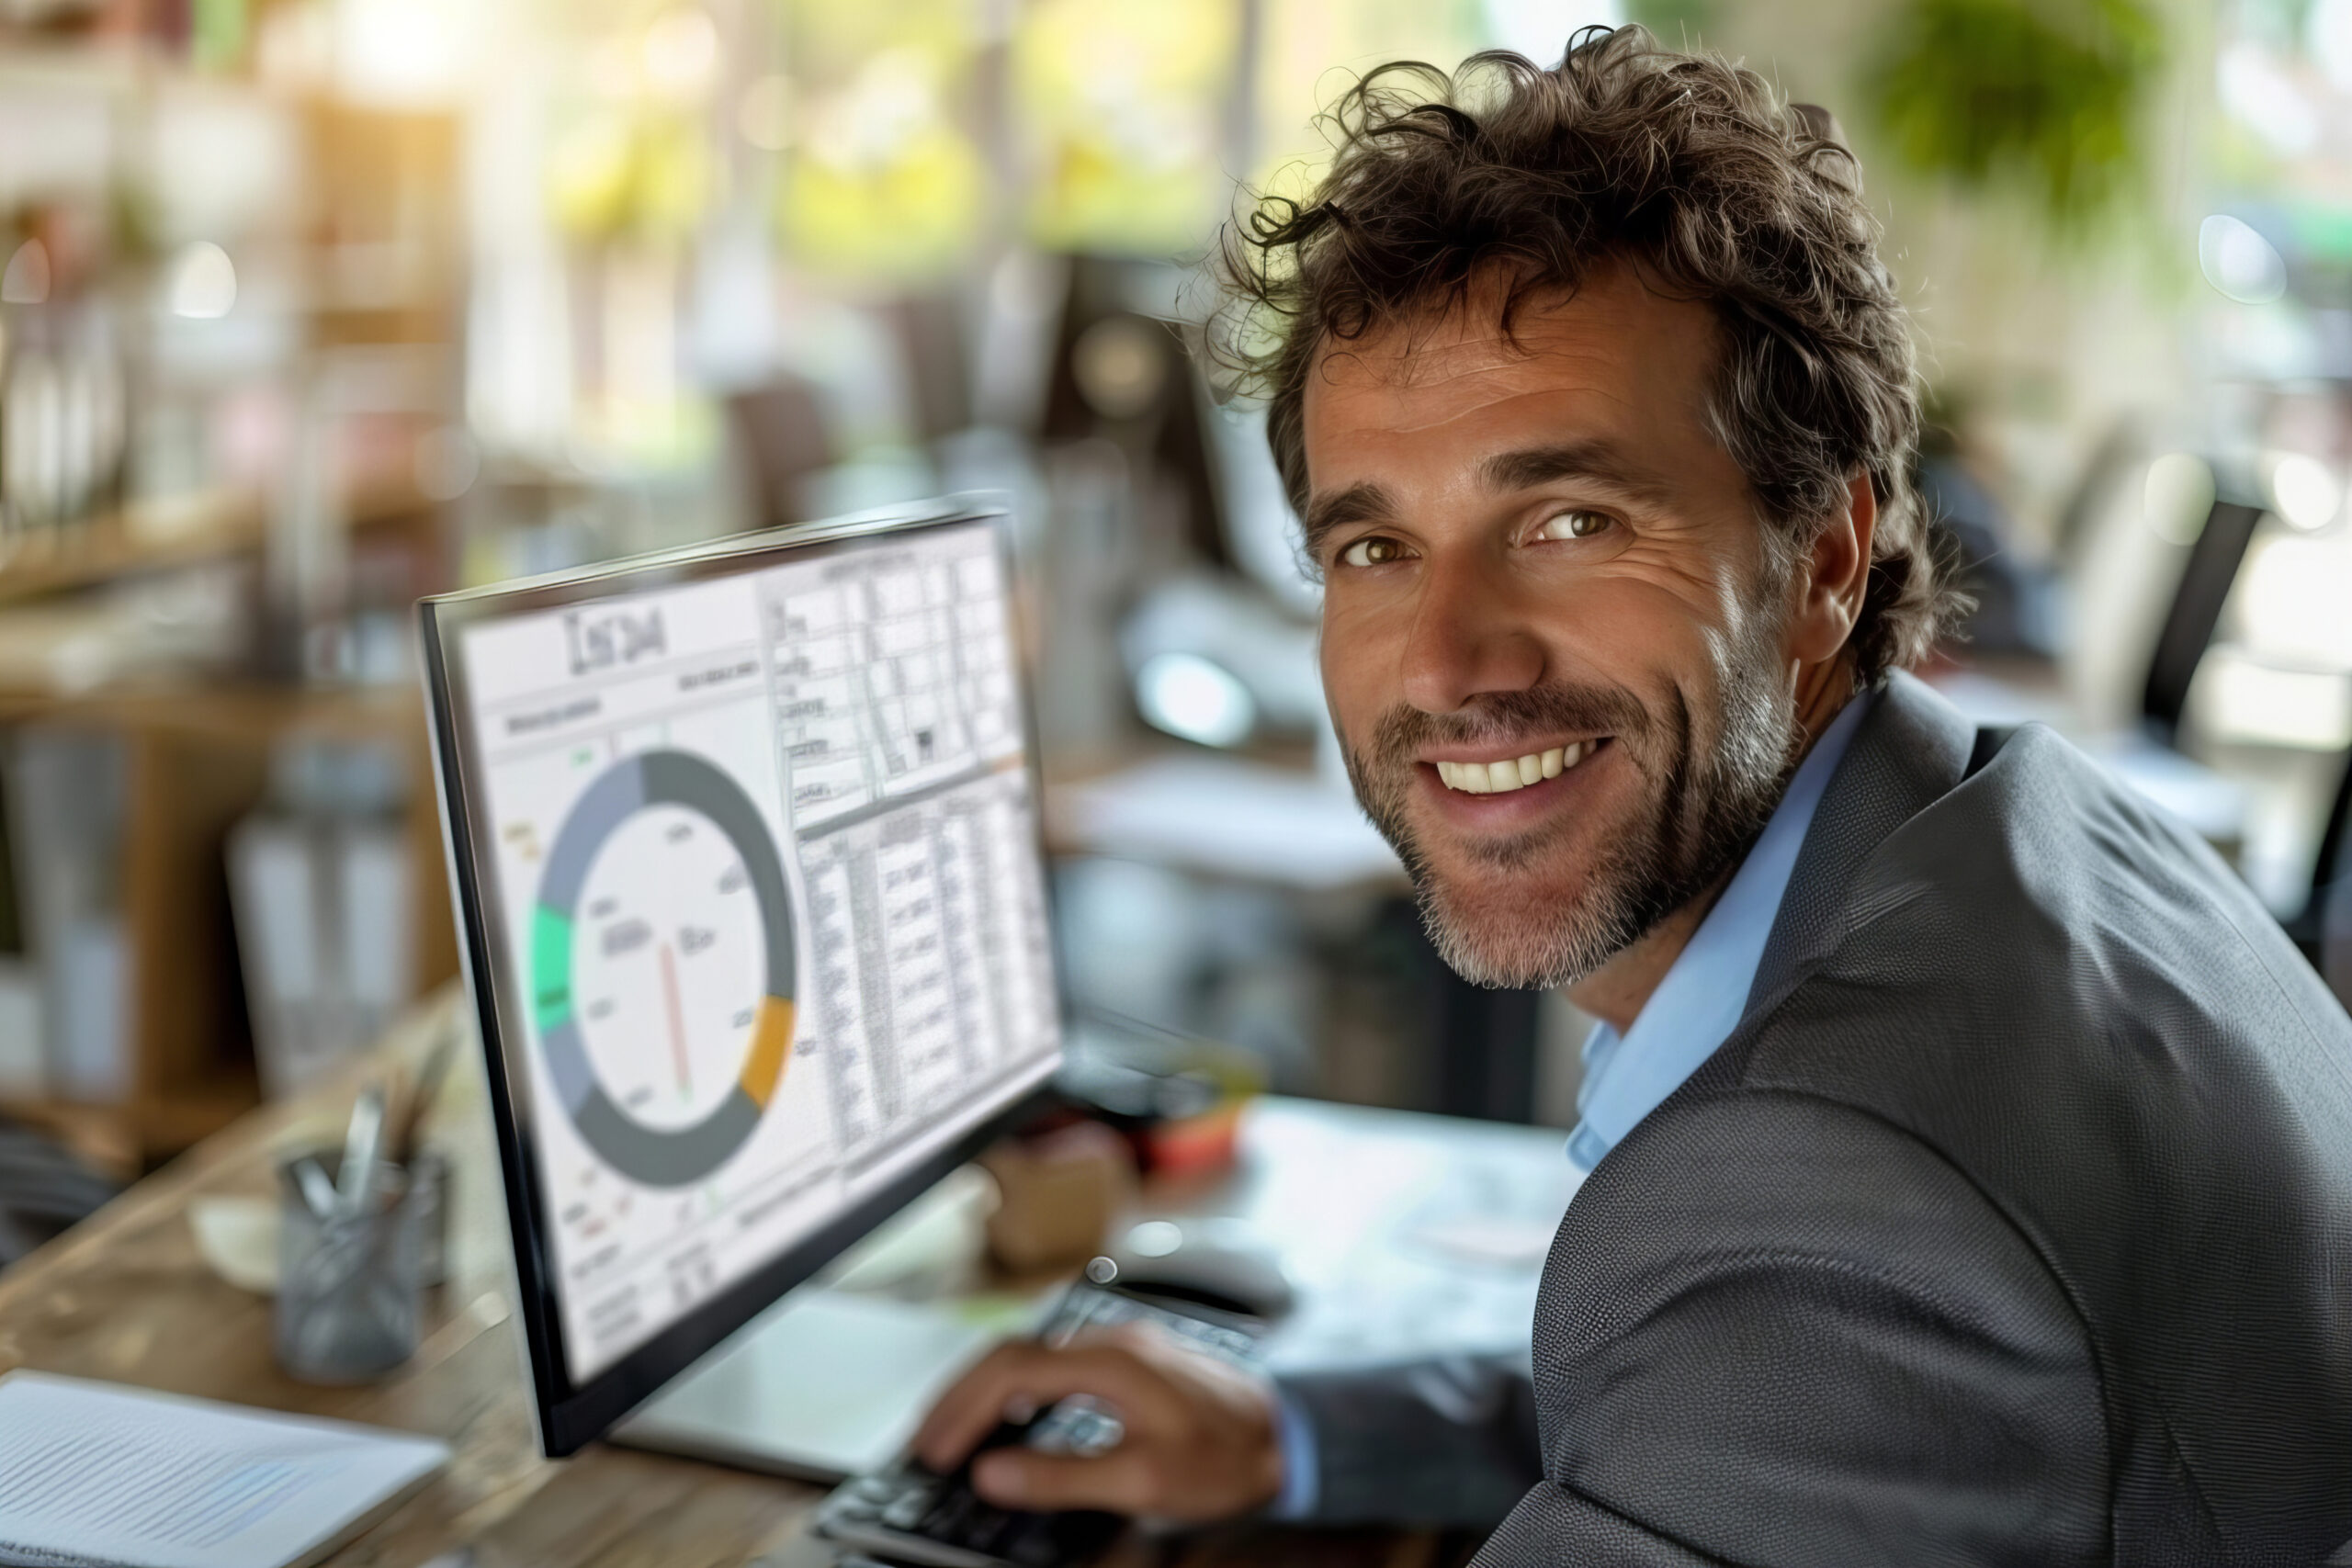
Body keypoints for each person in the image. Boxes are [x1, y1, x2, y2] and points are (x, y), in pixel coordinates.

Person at [916, 27, 2352, 1563]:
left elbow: (1814, 1324)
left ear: (1822, 559)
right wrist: (1303, 1437)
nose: (1450, 662)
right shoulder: (2031, 832)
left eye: (1571, 518)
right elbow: (1773, 1418)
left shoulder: (1827, 1194)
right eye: (1373, 549)